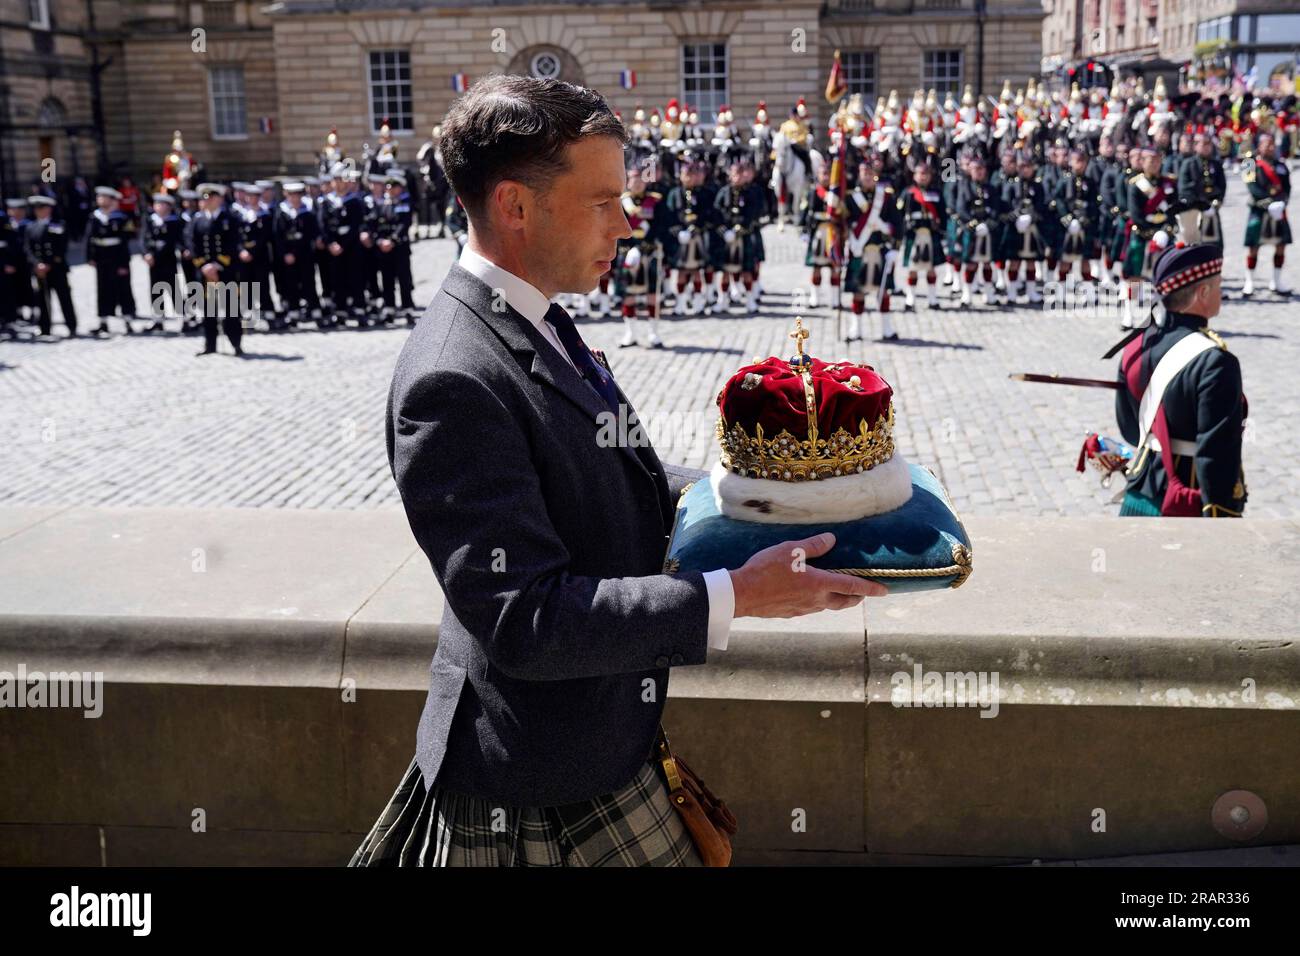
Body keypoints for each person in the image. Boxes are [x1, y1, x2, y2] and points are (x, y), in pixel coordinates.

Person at [349, 75, 885, 868]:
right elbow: (525, 622)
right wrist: (739, 595)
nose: (629, 224)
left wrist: (763, 500)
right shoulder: (451, 378)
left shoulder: (531, 313)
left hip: (597, 741)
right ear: (516, 207)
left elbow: (615, 471)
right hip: (533, 787)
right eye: (603, 202)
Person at [1114, 243, 1247, 517]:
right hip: (1186, 500)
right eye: (1218, 285)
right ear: (1203, 292)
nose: (1221, 293)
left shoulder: (1136, 346)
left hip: (1139, 493)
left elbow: (1129, 427)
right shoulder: (1216, 362)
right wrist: (1222, 515)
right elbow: (1217, 452)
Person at [187, 182, 244, 357]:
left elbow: (233, 244)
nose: (206, 201)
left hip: (225, 270)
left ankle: (236, 343)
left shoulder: (230, 219)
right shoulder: (197, 220)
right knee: (208, 309)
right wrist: (204, 265)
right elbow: (192, 244)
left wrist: (217, 264)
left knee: (231, 309)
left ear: (219, 199)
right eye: (204, 198)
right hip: (205, 273)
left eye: (210, 198)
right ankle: (210, 344)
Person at [1241, 131, 1291, 296]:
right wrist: (1269, 203)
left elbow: (1287, 188)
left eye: (1272, 144)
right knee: (1253, 247)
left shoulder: (1281, 165)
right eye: (1266, 144)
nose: (1270, 147)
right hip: (1258, 210)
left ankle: (1276, 282)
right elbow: (1251, 188)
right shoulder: (1248, 163)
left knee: (1281, 245)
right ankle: (1249, 282)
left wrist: (1282, 203)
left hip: (1278, 210)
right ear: (1259, 145)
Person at [86, 186, 138, 337]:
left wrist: (123, 263)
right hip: (102, 258)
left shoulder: (122, 217)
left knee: (123, 289)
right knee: (103, 289)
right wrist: (90, 257)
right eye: (98, 197)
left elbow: (126, 241)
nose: (99, 200)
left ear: (111, 200)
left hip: (118, 257)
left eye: (103, 197)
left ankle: (128, 320)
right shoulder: (94, 216)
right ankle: (103, 322)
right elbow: (89, 238)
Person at [21, 195, 77, 337]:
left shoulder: (58, 225)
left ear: (49, 209)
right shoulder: (31, 227)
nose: (39, 211)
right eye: (37, 209)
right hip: (39, 271)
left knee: (64, 298)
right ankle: (44, 327)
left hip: (56, 268)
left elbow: (61, 247)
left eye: (42, 208)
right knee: (42, 300)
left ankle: (71, 326)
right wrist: (36, 264)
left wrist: (49, 264)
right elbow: (28, 248)